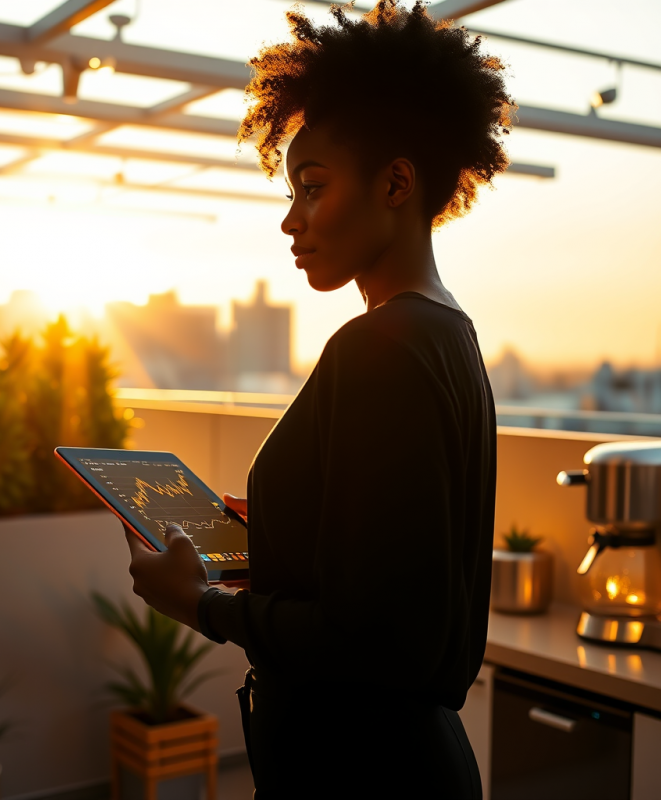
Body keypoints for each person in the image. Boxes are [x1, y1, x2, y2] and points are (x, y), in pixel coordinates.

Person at [123, 2, 512, 796]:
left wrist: (198, 601)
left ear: (396, 182)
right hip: (406, 761)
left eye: (313, 187)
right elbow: (400, 584)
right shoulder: (449, 337)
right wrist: (277, 544)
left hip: (359, 769)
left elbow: (372, 641)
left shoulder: (379, 349)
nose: (289, 219)